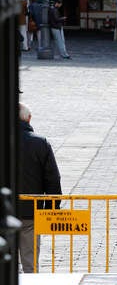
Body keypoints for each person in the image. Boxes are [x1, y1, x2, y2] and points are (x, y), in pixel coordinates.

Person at [18, 103, 62, 272]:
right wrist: (51, 210)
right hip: (31, 211)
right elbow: (52, 179)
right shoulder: (40, 143)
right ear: (28, 118)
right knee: (30, 264)